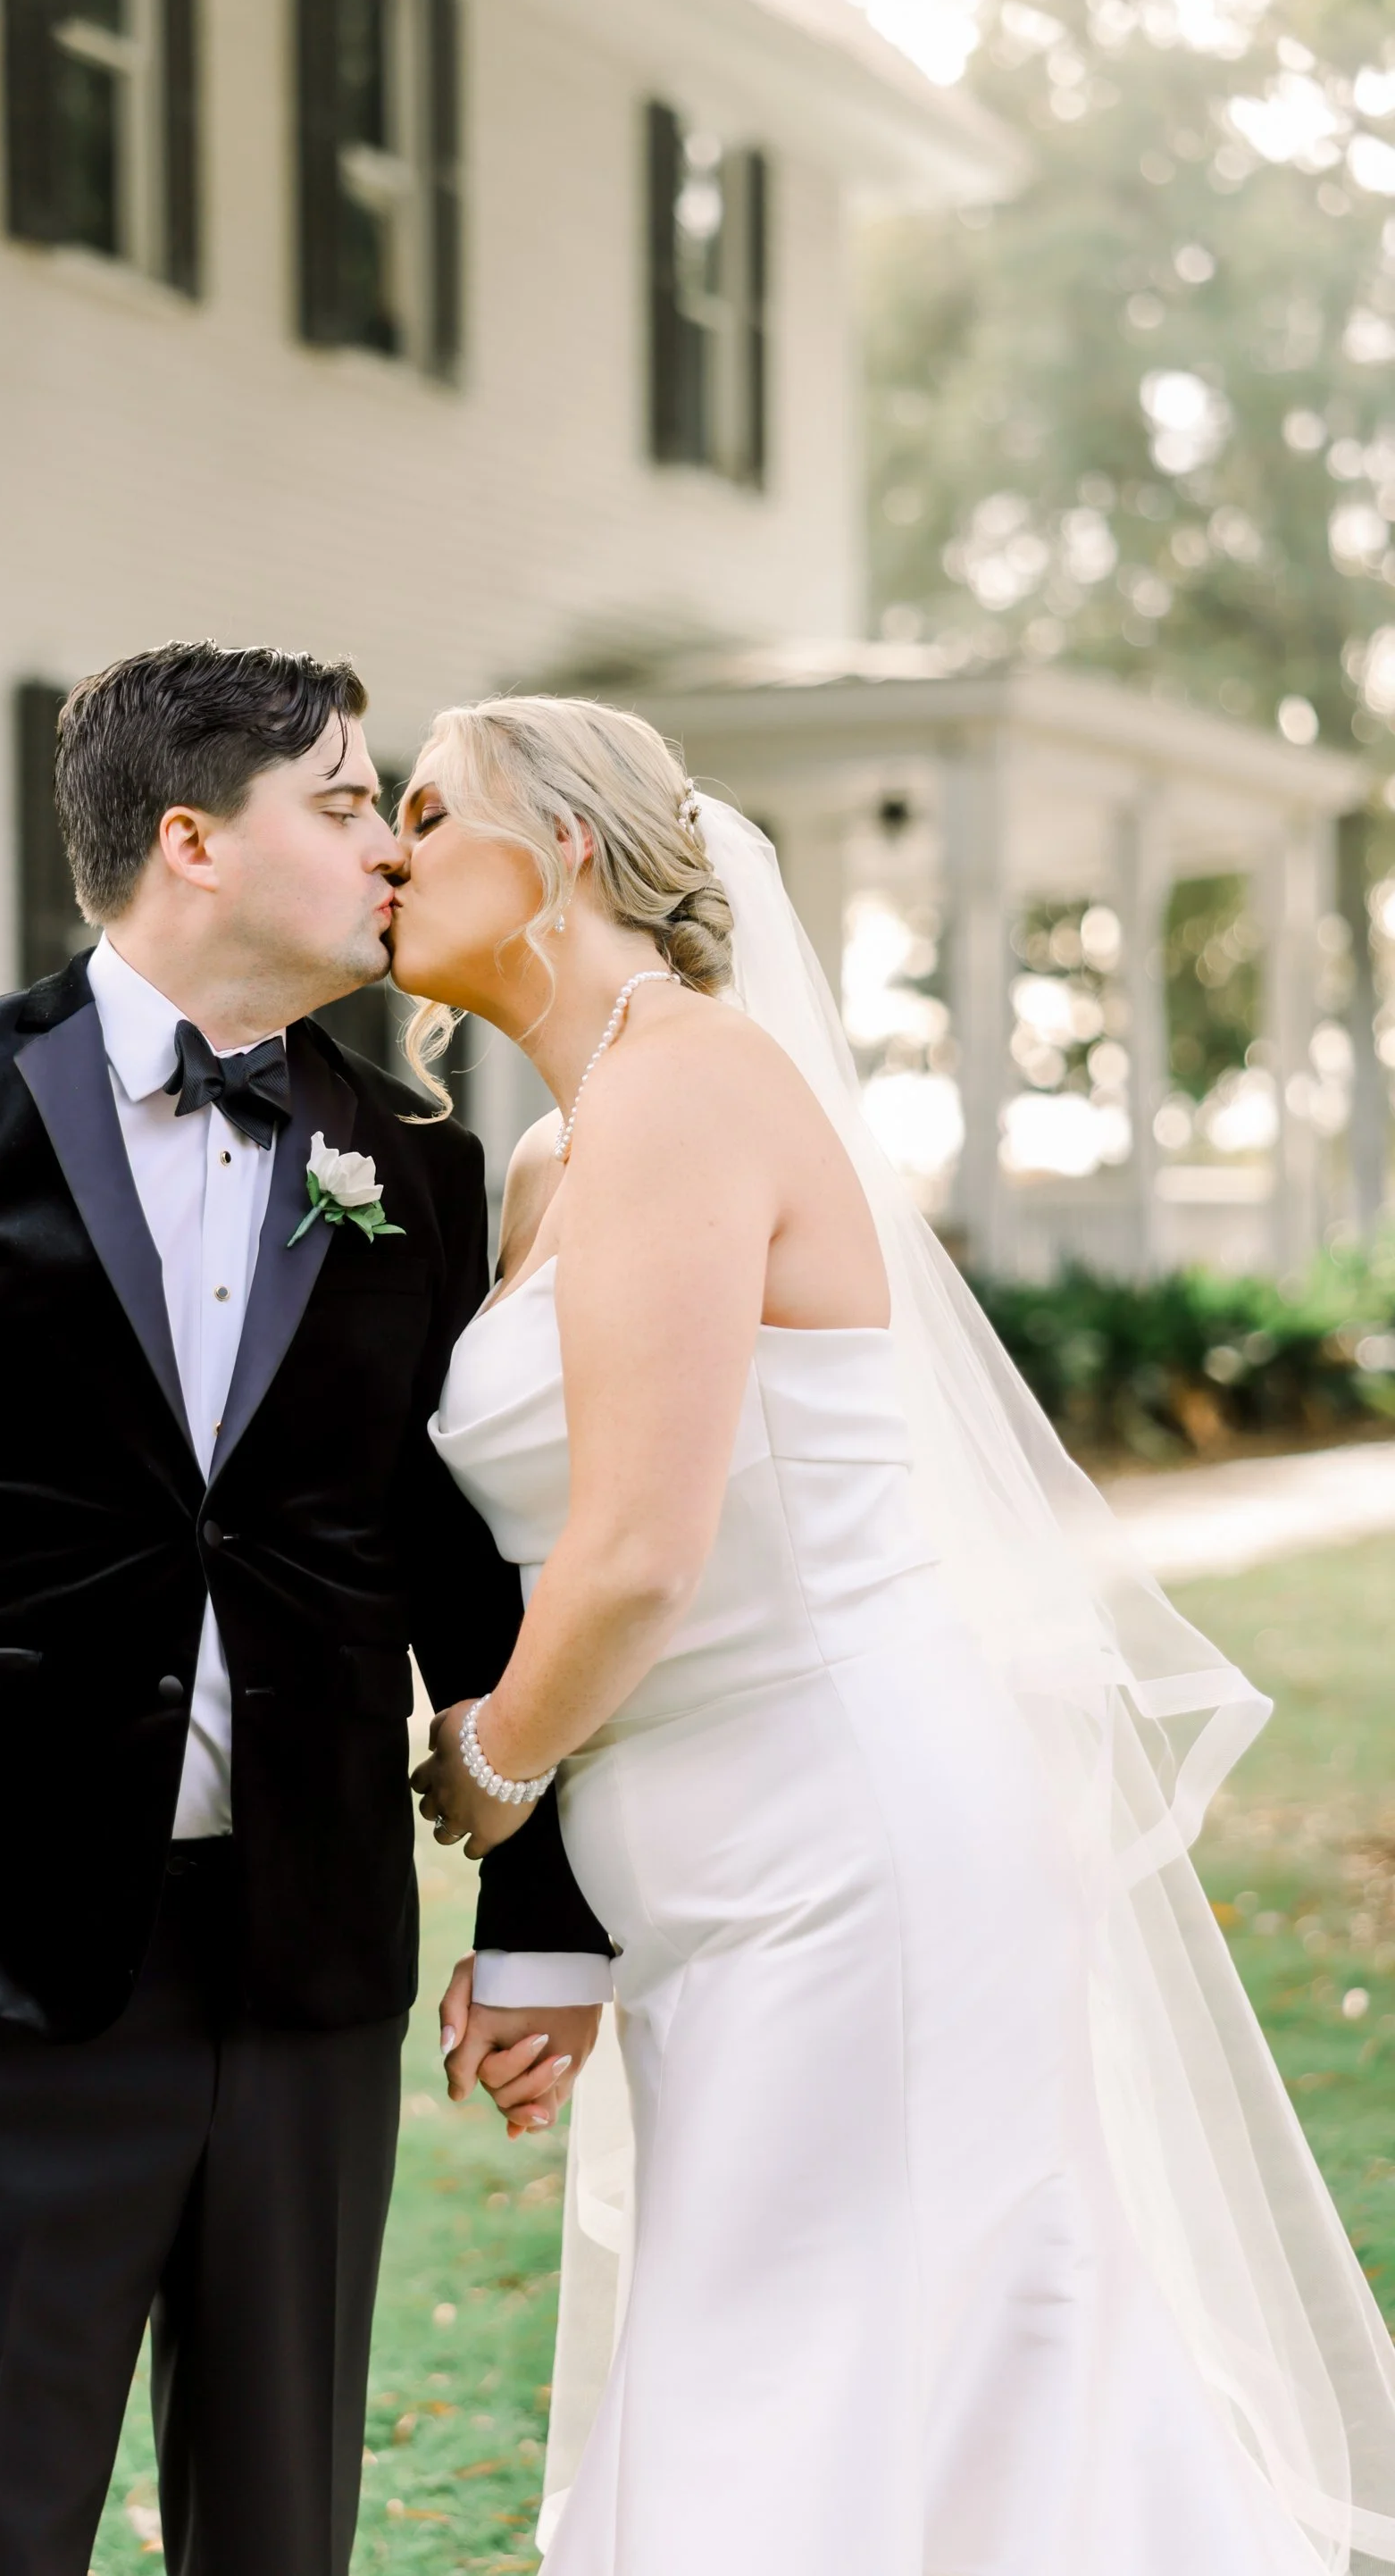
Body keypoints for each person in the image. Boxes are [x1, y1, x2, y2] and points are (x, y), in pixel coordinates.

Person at [402, 694, 1395, 2576]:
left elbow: (632, 1561)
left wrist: (487, 1776)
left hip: (849, 1852)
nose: (390, 850)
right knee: (830, 2393)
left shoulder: (693, 1084)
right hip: (709, 1883)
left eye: (431, 813)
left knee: (836, 2405)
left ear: (564, 856)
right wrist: (559, 1919)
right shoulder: (551, 1159)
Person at [0, 640, 608, 2576]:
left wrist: (540, 1918)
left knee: (280, 2531)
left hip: (309, 1956)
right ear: (192, 838)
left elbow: (459, 1561)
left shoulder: (413, 1164)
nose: (391, 848)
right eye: (351, 800)